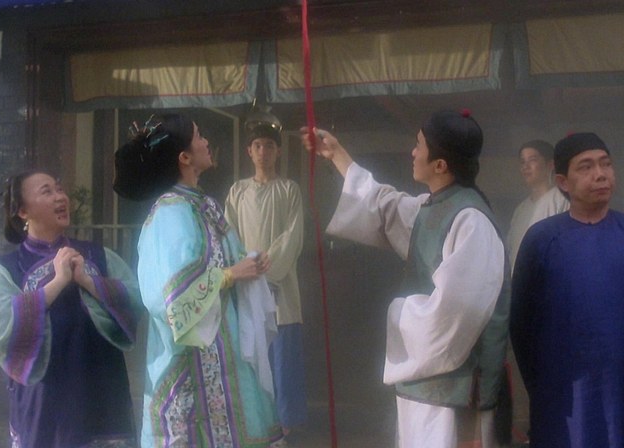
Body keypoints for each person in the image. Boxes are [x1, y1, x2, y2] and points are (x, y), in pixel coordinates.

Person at [302, 109, 511, 448]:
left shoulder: (471, 221)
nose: (412, 153)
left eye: (418, 145)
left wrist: (397, 314)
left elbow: (455, 314)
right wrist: (337, 154)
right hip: (429, 385)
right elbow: (385, 205)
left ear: (440, 165)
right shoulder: (436, 206)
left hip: (453, 392)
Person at [113, 114, 284, 448]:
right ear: (184, 157)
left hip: (225, 350)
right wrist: (231, 274)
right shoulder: (170, 214)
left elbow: (227, 260)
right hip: (190, 362)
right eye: (199, 136)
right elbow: (169, 299)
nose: (207, 142)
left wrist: (250, 262)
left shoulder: (203, 205)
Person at [509, 132, 624, 447]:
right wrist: (543, 381)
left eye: (605, 164)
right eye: (586, 167)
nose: (600, 174)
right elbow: (522, 323)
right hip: (564, 388)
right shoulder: (541, 240)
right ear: (563, 181)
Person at [0, 170, 139, 447]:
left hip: (102, 395)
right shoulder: (6, 268)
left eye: (59, 189)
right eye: (47, 191)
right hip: (44, 405)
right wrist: (57, 283)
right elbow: (1, 327)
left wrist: (88, 281)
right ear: (23, 211)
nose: (60, 197)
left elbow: (136, 299)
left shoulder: (98, 256)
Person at [225, 116, 307, 436]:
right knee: (251, 360)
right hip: (247, 288)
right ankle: (255, 426)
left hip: (281, 289)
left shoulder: (289, 190)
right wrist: (244, 268)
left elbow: (292, 237)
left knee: (283, 362)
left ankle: (284, 430)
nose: (263, 152)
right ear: (249, 151)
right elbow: (229, 237)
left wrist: (264, 267)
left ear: (278, 151)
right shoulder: (237, 192)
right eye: (257, 146)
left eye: (269, 146)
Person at [506, 139, 569, 275]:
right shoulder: (520, 209)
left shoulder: (561, 200)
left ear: (550, 164)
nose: (526, 166)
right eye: (522, 162)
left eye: (532, 160)